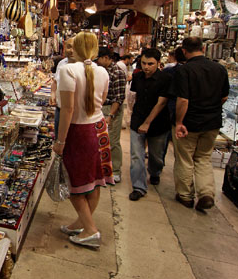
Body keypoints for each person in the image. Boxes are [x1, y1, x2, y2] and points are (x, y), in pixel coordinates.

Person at [53, 31, 113, 249]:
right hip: (99, 129)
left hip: (79, 132)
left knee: (74, 183)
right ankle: (82, 222)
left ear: (75, 48)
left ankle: (90, 230)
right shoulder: (103, 72)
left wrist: (60, 141)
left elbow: (67, 109)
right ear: (95, 50)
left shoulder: (69, 69)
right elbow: (103, 99)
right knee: (94, 180)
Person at [171, 37, 229, 211]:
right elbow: (224, 96)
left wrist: (179, 122)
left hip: (190, 123)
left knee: (185, 159)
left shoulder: (185, 70)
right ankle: (206, 193)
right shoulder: (220, 69)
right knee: (203, 158)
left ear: (183, 51)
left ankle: (185, 195)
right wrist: (211, 109)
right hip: (212, 123)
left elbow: (183, 99)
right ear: (203, 48)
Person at [128, 48, 172, 201]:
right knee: (136, 155)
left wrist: (147, 123)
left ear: (158, 63)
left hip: (158, 123)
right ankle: (139, 187)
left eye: (150, 64)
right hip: (137, 119)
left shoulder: (165, 78)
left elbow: (162, 103)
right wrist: (130, 115)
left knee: (156, 155)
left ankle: (155, 172)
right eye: (144, 63)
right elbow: (133, 97)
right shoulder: (138, 77)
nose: (146, 67)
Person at [97, 47, 127, 183]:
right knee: (99, 140)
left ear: (106, 58)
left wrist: (111, 115)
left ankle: (115, 170)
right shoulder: (100, 70)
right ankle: (101, 169)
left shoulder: (117, 73)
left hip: (111, 109)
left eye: (99, 59)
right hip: (100, 107)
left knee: (113, 141)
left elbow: (119, 98)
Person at [50, 36, 75, 136]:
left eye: (75, 47)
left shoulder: (84, 67)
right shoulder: (62, 63)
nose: (72, 50)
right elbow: (55, 81)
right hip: (59, 109)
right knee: (58, 137)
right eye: (69, 47)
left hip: (75, 113)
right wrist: (53, 93)